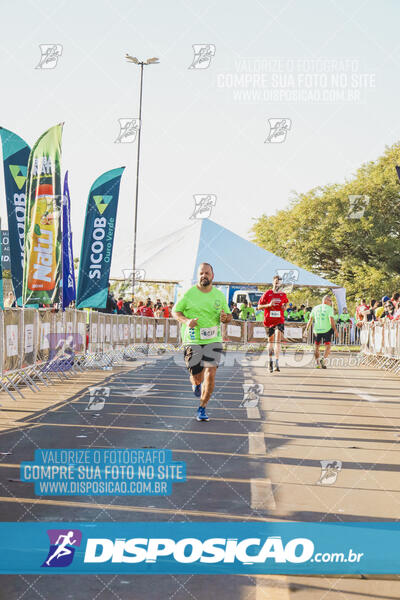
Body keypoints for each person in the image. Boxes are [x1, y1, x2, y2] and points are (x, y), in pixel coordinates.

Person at [172, 263, 232, 422]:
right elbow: (175, 312)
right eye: (201, 273)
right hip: (193, 340)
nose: (204, 275)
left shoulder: (219, 295)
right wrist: (187, 321)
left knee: (210, 374)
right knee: (197, 377)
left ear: (212, 275)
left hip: (214, 340)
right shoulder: (189, 294)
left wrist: (226, 318)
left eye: (207, 273)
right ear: (197, 276)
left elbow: (228, 316)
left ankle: (202, 408)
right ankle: (196, 384)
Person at [257, 275, 288, 373]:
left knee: (278, 340)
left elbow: (286, 304)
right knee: (270, 342)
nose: (277, 284)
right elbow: (258, 307)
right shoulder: (267, 293)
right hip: (269, 321)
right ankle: (270, 361)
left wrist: (284, 307)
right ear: (273, 283)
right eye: (276, 282)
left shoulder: (283, 295)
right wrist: (269, 305)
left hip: (279, 320)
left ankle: (277, 362)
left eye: (279, 282)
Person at [305, 295, 338, 369]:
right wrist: (335, 330)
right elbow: (331, 320)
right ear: (325, 300)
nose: (331, 302)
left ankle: (317, 363)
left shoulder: (315, 308)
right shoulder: (329, 308)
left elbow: (310, 319)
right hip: (326, 330)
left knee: (316, 347)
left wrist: (306, 329)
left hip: (317, 330)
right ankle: (323, 359)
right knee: (328, 346)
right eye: (330, 300)